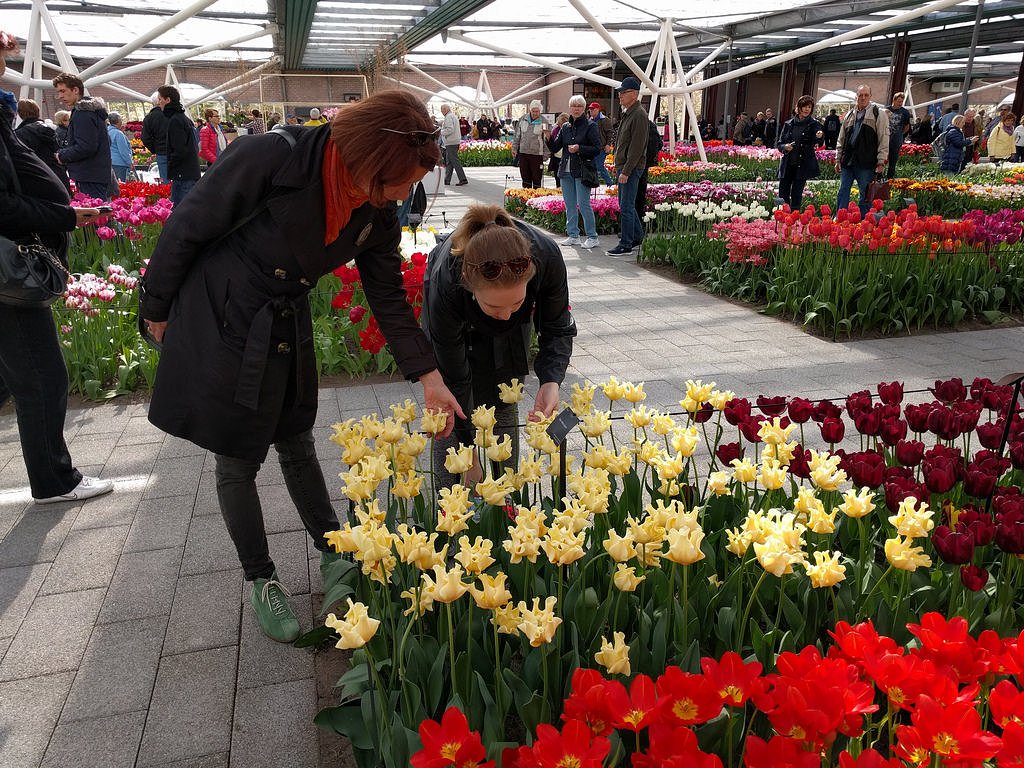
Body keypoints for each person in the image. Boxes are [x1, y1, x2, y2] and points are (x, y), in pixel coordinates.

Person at [138, 90, 463, 644]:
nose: (402, 195)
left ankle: (334, 549)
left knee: (296, 436)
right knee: (238, 451)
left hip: (286, 314)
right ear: (366, 159)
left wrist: (429, 377)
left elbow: (386, 295)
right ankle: (260, 576)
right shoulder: (271, 156)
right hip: (228, 311)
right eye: (397, 181)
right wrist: (157, 307)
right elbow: (189, 224)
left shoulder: (375, 211)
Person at [0, 30, 114, 504]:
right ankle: (53, 480)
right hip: (7, 276)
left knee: (10, 378)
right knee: (43, 376)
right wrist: (65, 215)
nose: (4, 60)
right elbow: (3, 205)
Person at [422, 202, 575, 487]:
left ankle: (506, 500)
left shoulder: (546, 256)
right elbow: (455, 375)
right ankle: (449, 512)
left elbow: (557, 327)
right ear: (468, 284)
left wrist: (551, 380)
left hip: (506, 339)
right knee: (450, 416)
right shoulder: (449, 279)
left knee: (504, 396)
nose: (506, 315)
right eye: (494, 306)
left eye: (517, 303)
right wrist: (468, 455)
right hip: (455, 329)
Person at [549, 96, 601, 249]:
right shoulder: (565, 127)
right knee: (570, 205)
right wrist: (547, 137)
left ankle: (592, 236)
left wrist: (580, 148)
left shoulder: (590, 126)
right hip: (565, 171)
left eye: (579, 106)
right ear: (569, 108)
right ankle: (573, 235)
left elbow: (597, 148)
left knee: (583, 204)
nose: (576, 108)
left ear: (584, 108)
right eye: (573, 106)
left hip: (582, 171)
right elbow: (555, 147)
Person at [606, 76, 648, 256]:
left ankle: (626, 243)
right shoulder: (629, 113)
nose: (620, 96)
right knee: (627, 205)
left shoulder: (638, 114)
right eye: (620, 93)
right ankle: (637, 236)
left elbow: (637, 147)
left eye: (624, 92)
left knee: (626, 206)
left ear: (635, 94)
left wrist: (627, 171)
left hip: (630, 168)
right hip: (625, 166)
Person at [52, 71, 111, 200]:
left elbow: (86, 146)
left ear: (75, 90)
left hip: (89, 174)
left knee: (95, 216)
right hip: (94, 173)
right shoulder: (91, 111)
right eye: (58, 92)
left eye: (63, 91)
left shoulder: (83, 113)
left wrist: (61, 155)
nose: (60, 96)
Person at [834, 84, 889, 216]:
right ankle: (840, 219)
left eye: (866, 95)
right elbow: (841, 139)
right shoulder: (849, 115)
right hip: (848, 161)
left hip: (866, 161)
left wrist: (881, 161)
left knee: (865, 193)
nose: (863, 98)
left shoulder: (878, 114)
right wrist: (837, 158)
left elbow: (884, 138)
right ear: (856, 97)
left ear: (870, 96)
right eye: (860, 95)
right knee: (843, 191)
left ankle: (864, 222)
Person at [776, 95, 824, 212]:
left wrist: (819, 136)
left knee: (796, 195)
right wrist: (785, 147)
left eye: (809, 107)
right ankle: (783, 219)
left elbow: (819, 137)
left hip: (802, 166)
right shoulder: (789, 124)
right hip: (787, 165)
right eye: (804, 106)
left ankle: (794, 220)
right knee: (783, 195)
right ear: (798, 108)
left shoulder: (814, 124)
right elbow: (779, 144)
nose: (807, 109)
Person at [15, 98, 70, 193]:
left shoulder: (21, 134)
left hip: (37, 179)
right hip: (59, 177)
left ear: (20, 113)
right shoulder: (52, 129)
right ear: (38, 111)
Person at [162, 85, 200, 206]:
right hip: (187, 172)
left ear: (168, 100)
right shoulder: (183, 118)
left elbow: (180, 149)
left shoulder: (175, 120)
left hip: (183, 174)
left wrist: (171, 165)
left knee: (182, 210)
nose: (159, 103)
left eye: (160, 99)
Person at [512, 101, 549, 189]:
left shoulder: (544, 122)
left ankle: (536, 199)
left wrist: (546, 154)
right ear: (530, 110)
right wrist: (514, 148)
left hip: (537, 155)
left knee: (537, 179)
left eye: (537, 111)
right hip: (523, 153)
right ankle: (526, 198)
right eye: (533, 111)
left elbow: (547, 139)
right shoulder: (522, 119)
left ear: (540, 111)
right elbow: (517, 135)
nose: (535, 113)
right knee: (525, 178)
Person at [142, 88, 171, 182]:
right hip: (174, 150)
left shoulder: (149, 118)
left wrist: (155, 149)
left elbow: (145, 138)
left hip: (161, 151)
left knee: (165, 179)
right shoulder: (171, 115)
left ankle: (167, 195)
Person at [439, 103, 468, 186]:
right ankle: (447, 180)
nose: (441, 112)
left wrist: (441, 132)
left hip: (451, 142)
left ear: (445, 109)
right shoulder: (453, 116)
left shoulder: (448, 117)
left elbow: (449, 129)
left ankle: (463, 179)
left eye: (442, 110)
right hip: (453, 141)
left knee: (454, 161)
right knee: (449, 162)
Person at [588, 101, 616, 185]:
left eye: (592, 109)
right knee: (594, 166)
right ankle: (595, 183)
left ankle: (609, 182)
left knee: (599, 166)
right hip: (592, 148)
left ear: (597, 110)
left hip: (601, 148)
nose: (590, 111)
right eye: (590, 109)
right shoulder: (590, 120)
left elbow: (610, 133)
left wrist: (608, 144)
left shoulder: (605, 120)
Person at [886, 92, 912, 179]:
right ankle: (878, 178)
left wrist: (900, 134)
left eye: (902, 101)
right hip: (885, 139)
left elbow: (907, 126)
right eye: (899, 101)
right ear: (894, 100)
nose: (900, 103)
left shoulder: (905, 112)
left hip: (896, 140)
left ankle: (889, 179)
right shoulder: (886, 110)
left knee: (893, 162)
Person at [106, 112, 133, 183]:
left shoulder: (106, 131)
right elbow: (123, 151)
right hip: (119, 164)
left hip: (109, 162)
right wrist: (130, 163)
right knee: (120, 185)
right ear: (118, 121)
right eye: (121, 120)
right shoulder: (118, 134)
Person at [547, 112, 569, 189]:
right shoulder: (556, 129)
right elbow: (554, 146)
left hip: (565, 157)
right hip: (556, 157)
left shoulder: (570, 130)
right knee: (558, 178)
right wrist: (548, 137)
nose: (560, 126)